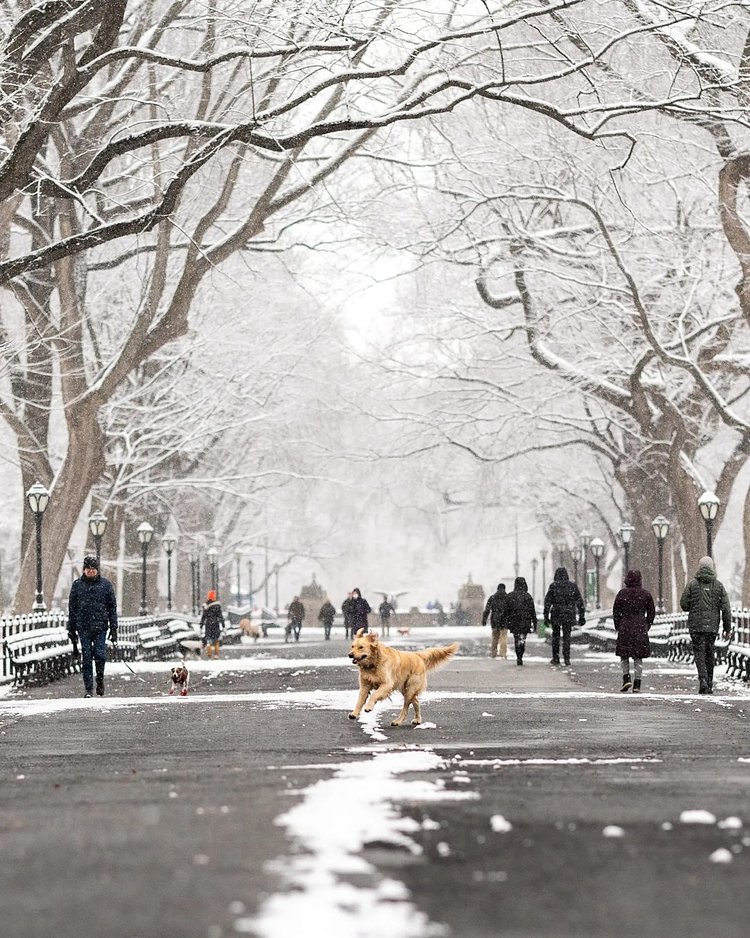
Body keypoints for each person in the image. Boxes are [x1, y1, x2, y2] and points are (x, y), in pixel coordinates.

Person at [67, 555, 118, 698]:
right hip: (83, 627)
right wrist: (71, 629)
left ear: (97, 570)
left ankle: (100, 679)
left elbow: (112, 607)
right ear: (84, 570)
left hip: (101, 627)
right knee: (87, 657)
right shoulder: (77, 586)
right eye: (88, 569)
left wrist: (114, 627)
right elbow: (72, 608)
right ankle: (88, 688)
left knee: (100, 655)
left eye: (93, 569)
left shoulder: (106, 585)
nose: (90, 572)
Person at [680, 556, 731, 695]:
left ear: (699, 567)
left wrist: (693, 605)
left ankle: (702, 679)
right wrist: (727, 628)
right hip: (712, 627)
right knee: (710, 653)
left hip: (696, 626)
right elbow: (726, 608)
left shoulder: (692, 584)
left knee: (699, 653)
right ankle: (709, 683)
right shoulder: (719, 586)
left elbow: (684, 604)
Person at [612, 570, 655, 693]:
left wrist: (618, 625)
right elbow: (651, 612)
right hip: (640, 627)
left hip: (625, 627)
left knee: (624, 655)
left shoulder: (622, 594)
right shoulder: (645, 594)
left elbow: (616, 611)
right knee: (638, 656)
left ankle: (626, 678)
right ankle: (637, 683)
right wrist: (647, 625)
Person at [543, 567, 585, 666]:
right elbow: (579, 601)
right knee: (567, 636)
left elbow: (547, 602)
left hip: (557, 613)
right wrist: (582, 616)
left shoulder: (553, 586)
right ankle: (567, 658)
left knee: (556, 636)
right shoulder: (572, 586)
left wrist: (546, 616)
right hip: (569, 613)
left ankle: (556, 657)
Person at [503, 577, 537, 665]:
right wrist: (535, 622)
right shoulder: (528, 596)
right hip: (525, 620)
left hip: (514, 621)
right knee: (523, 638)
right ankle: (521, 653)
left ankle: (518, 655)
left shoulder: (510, 596)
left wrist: (505, 621)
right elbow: (532, 611)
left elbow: (506, 610)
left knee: (516, 637)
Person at [482, 583, 508, 659]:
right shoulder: (507, 598)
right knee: (503, 637)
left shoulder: (492, 598)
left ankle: (493, 653)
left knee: (495, 638)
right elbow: (511, 610)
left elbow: (487, 610)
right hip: (504, 621)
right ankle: (503, 654)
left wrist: (484, 619)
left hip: (495, 620)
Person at [200, 590, 224, 658]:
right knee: (216, 640)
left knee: (208, 640)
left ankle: (209, 653)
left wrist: (201, 626)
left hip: (208, 624)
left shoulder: (206, 606)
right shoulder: (217, 606)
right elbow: (220, 616)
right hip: (215, 624)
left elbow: (203, 617)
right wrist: (223, 625)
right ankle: (216, 654)